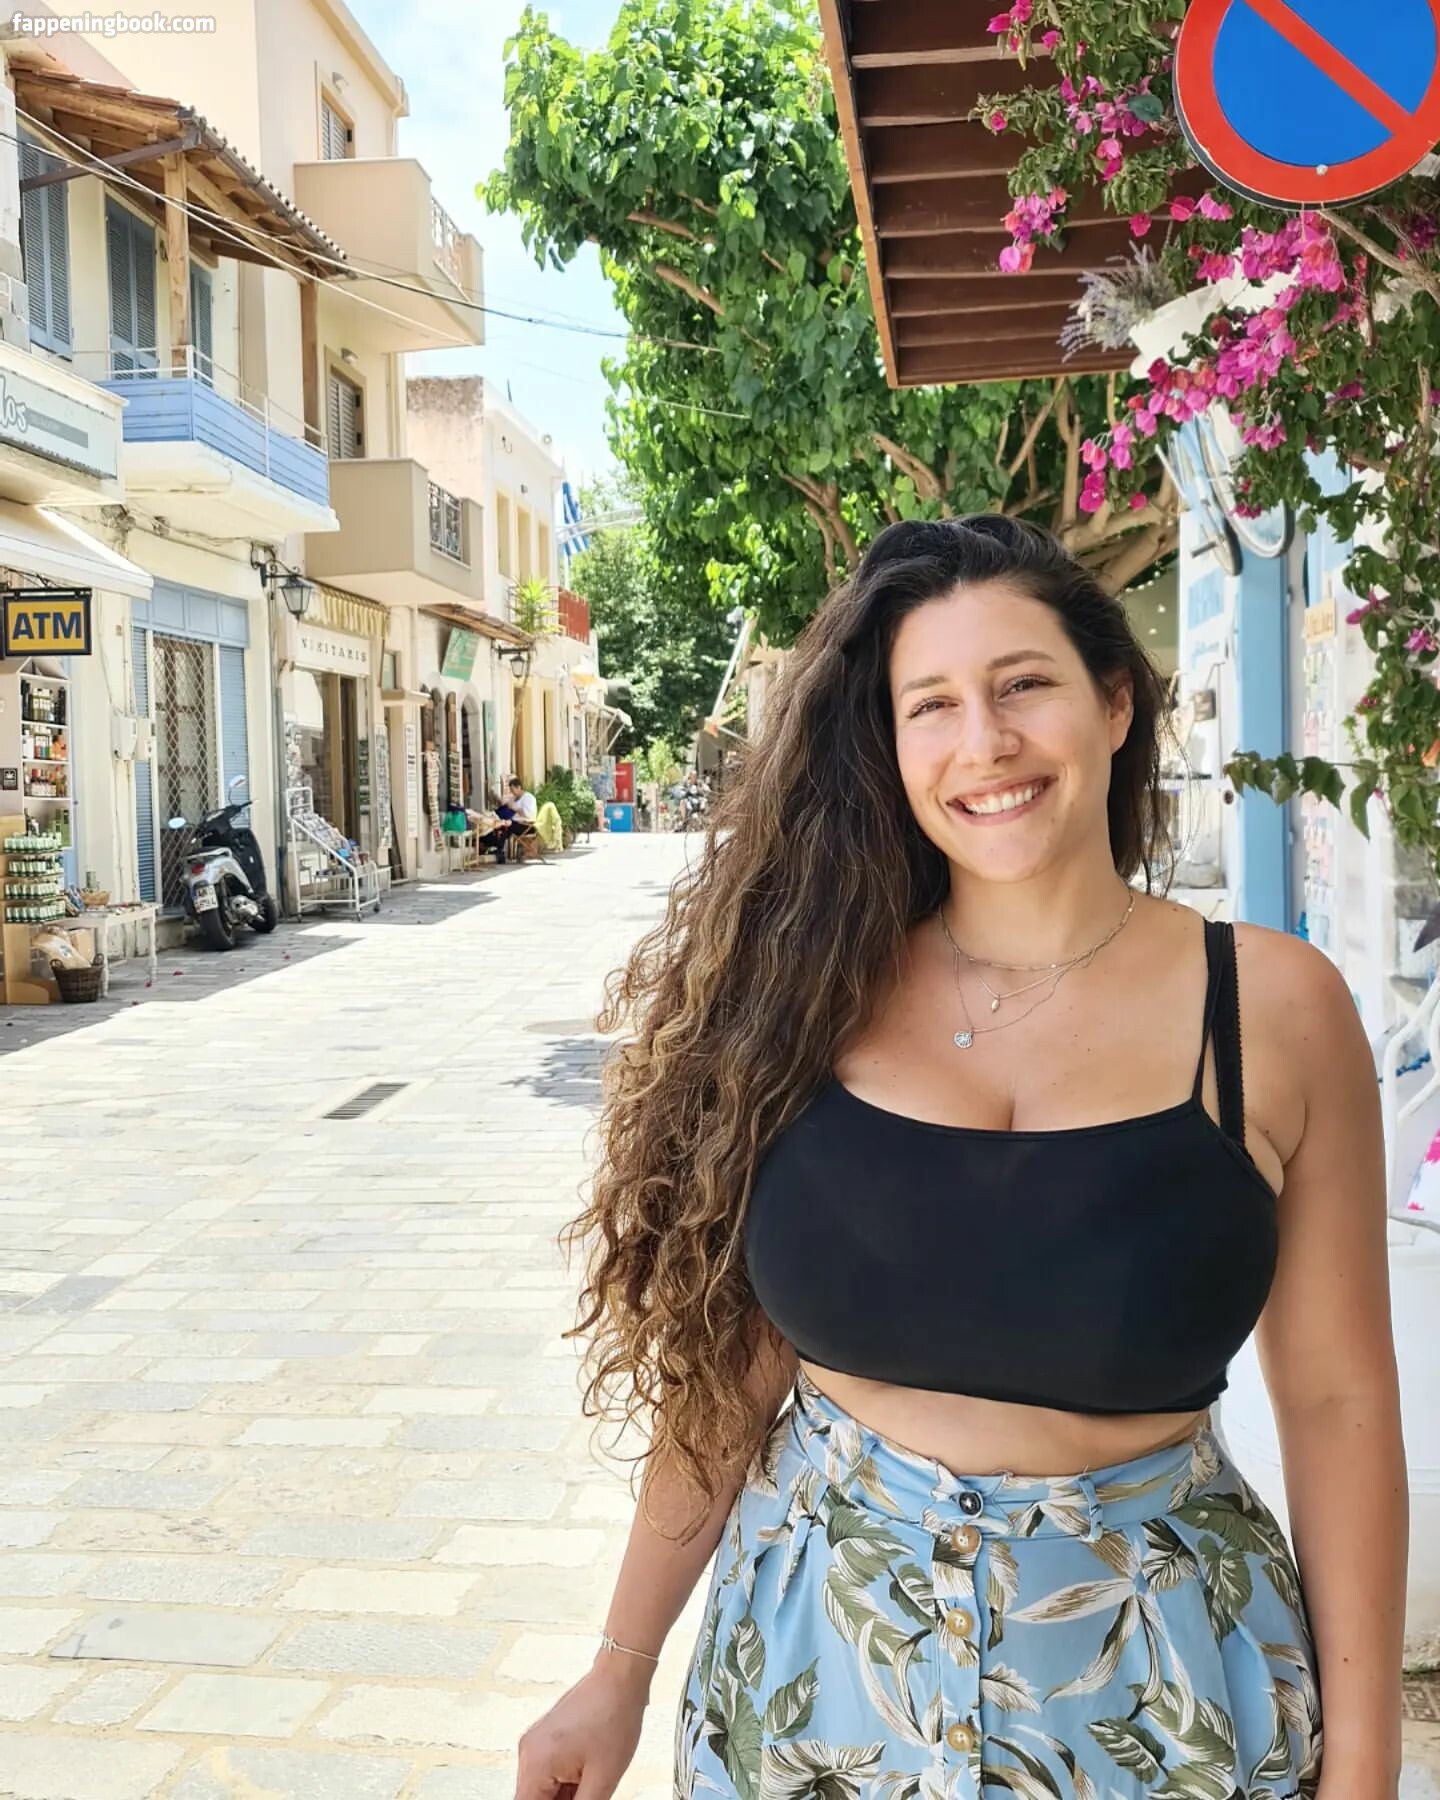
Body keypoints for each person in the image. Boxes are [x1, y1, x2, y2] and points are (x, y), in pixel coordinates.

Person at [517, 516, 1406, 1800]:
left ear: (1113, 702)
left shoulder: (1272, 1008)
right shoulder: (806, 995)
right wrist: (617, 1670)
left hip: (1165, 1697)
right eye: (930, 704)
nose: (983, 743)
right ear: (887, 745)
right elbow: (734, 1365)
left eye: (1022, 684)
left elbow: (1336, 1403)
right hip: (819, 1681)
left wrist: (1365, 1763)